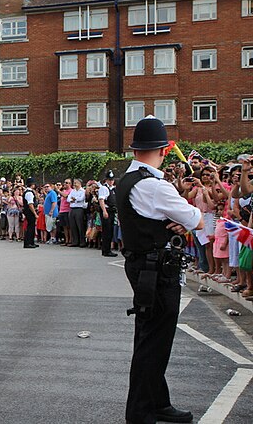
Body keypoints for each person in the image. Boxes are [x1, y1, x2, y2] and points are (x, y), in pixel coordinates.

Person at [117, 116, 203, 424]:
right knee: (155, 342)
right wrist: (186, 218)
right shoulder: (154, 185)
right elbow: (197, 219)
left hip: (141, 265)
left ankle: (157, 402)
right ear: (164, 150)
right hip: (158, 269)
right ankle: (141, 413)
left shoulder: (127, 178)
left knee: (148, 336)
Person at [98, 171, 119, 257]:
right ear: (106, 180)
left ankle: (107, 249)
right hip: (107, 210)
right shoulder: (104, 188)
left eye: (112, 180)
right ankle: (106, 250)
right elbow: (101, 200)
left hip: (112, 210)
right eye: (109, 180)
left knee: (110, 231)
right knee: (107, 231)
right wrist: (104, 211)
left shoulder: (113, 189)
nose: (111, 181)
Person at [22, 177, 38, 248]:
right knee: (30, 227)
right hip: (29, 211)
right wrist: (35, 213)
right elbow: (30, 204)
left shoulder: (28, 192)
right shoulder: (29, 193)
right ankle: (28, 243)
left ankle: (31, 242)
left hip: (28, 211)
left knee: (31, 227)